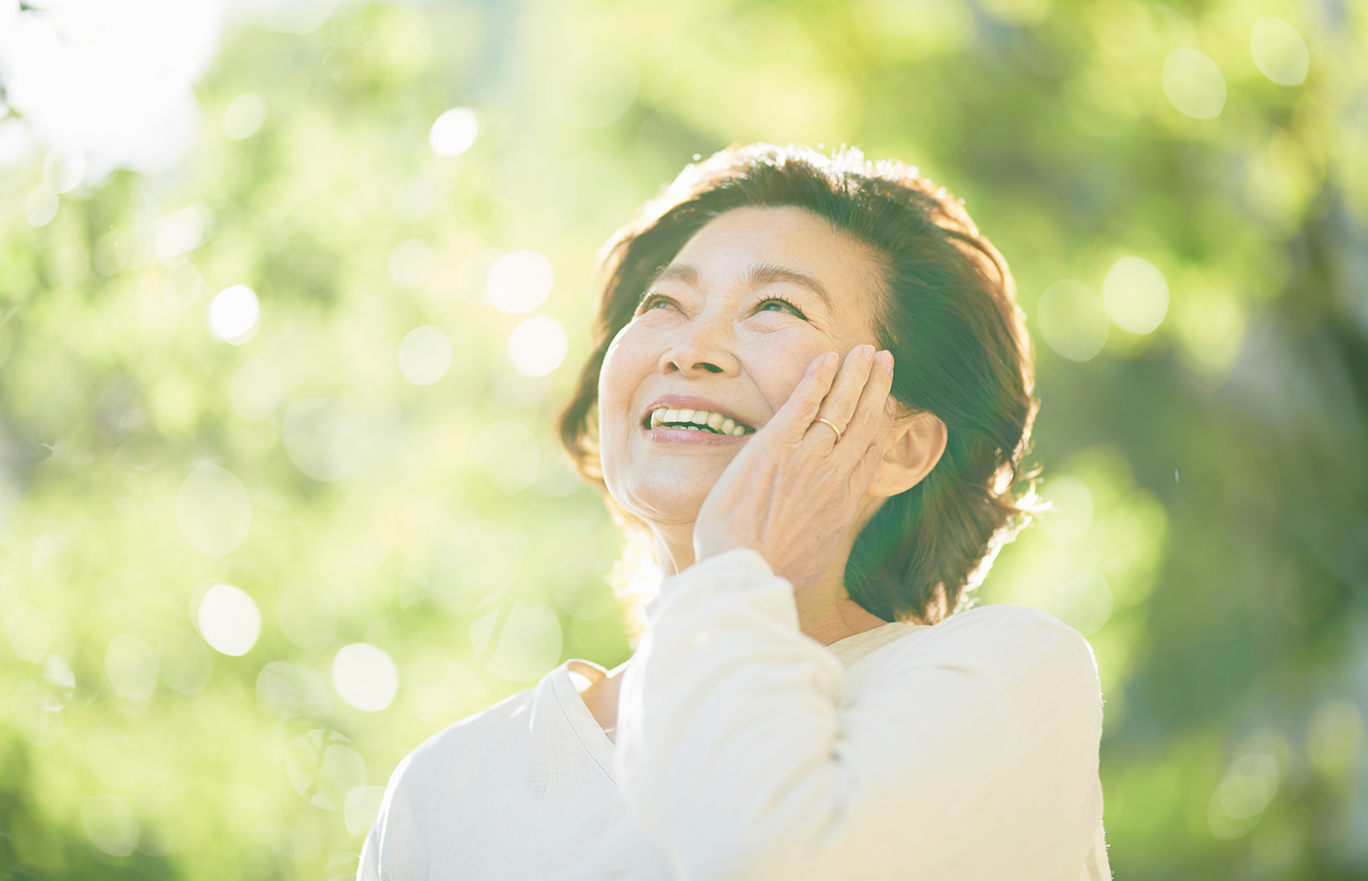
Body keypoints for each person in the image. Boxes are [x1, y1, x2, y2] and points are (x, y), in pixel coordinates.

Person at [358, 143, 1110, 880]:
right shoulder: (447, 787)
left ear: (901, 448)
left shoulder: (1013, 681)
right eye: (664, 303)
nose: (690, 348)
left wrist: (738, 566)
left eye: (775, 306)